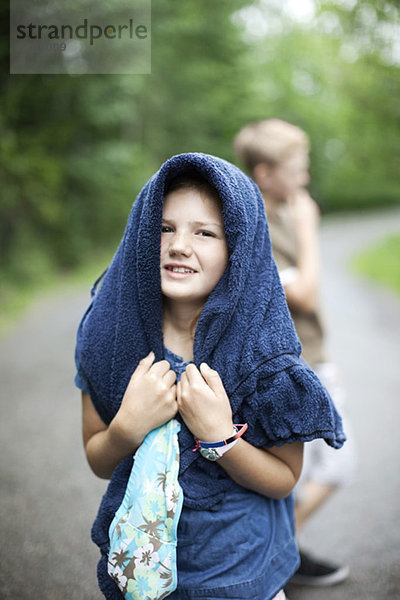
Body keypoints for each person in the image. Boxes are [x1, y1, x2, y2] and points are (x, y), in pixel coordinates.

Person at [74, 152, 346, 600]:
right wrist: (127, 426)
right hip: (142, 573)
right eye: (164, 228)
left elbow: (283, 479)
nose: (179, 245)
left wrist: (220, 437)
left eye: (205, 232)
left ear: (238, 248)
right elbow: (98, 458)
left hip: (243, 577)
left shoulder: (265, 359)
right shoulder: (110, 341)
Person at [233, 120, 357, 587]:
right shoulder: (257, 224)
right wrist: (308, 231)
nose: (304, 179)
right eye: (296, 169)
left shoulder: (279, 212)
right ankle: (277, 554)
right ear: (264, 173)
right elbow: (303, 293)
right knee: (338, 462)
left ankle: (279, 551)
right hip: (295, 365)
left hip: (311, 358)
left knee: (301, 472)